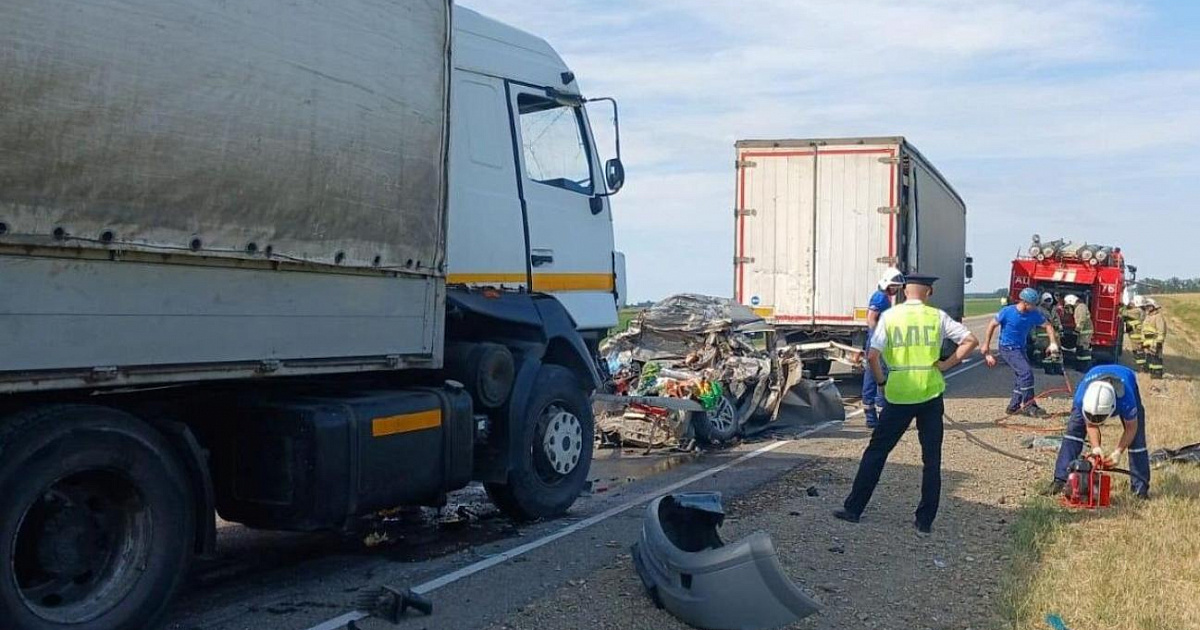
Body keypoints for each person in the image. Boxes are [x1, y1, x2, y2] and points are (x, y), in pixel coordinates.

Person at [833, 274, 979, 534]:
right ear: (929, 292)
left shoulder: (890, 317)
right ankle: (924, 521)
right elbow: (970, 341)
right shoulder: (937, 317)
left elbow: (873, 355)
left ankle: (854, 508)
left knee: (877, 452)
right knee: (931, 459)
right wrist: (945, 365)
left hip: (899, 395)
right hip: (931, 394)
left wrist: (880, 383)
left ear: (903, 292)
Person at [1049, 364, 1150, 498]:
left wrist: (1118, 452)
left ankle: (1140, 489)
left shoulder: (1126, 399)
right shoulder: (1082, 399)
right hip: (1094, 374)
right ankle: (1060, 481)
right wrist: (1096, 448)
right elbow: (1091, 424)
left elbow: (1131, 428)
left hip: (1126, 375)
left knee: (1137, 439)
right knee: (1073, 431)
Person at [983, 288, 1060, 417]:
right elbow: (992, 325)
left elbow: (1048, 326)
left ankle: (1013, 406)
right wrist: (986, 345)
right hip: (1007, 348)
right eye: (1033, 304)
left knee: (1022, 376)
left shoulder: (1033, 313)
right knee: (1026, 373)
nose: (1035, 307)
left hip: (1020, 348)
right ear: (1024, 302)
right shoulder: (1007, 312)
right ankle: (1030, 405)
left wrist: (1053, 343)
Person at [862, 267, 904, 428]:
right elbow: (871, 319)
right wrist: (877, 339)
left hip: (875, 343)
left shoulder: (882, 297)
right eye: (894, 286)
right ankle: (881, 416)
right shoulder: (880, 298)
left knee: (871, 378)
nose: (895, 289)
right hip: (878, 345)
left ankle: (872, 418)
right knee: (880, 378)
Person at [1064, 294, 1093, 368]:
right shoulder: (1079, 307)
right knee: (1081, 348)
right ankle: (1081, 365)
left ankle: (1084, 366)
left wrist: (1077, 331)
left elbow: (1081, 320)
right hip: (1083, 333)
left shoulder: (1080, 307)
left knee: (1083, 349)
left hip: (1085, 333)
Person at [1142, 299, 1167, 378]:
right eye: (1147, 306)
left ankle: (1157, 373)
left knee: (1156, 358)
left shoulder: (1158, 316)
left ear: (1154, 306)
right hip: (1147, 341)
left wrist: (1159, 342)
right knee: (1150, 357)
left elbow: (1161, 330)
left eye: (1149, 306)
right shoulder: (1148, 316)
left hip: (1155, 341)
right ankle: (1152, 372)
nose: (1148, 308)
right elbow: (1144, 328)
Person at [1123, 296, 1147, 371]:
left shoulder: (1137, 311)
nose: (1132, 303)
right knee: (1139, 350)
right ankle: (1143, 366)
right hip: (1137, 333)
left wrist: (1124, 306)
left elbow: (1124, 313)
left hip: (1136, 334)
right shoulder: (1142, 310)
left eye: (1133, 302)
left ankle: (1143, 367)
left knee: (1137, 351)